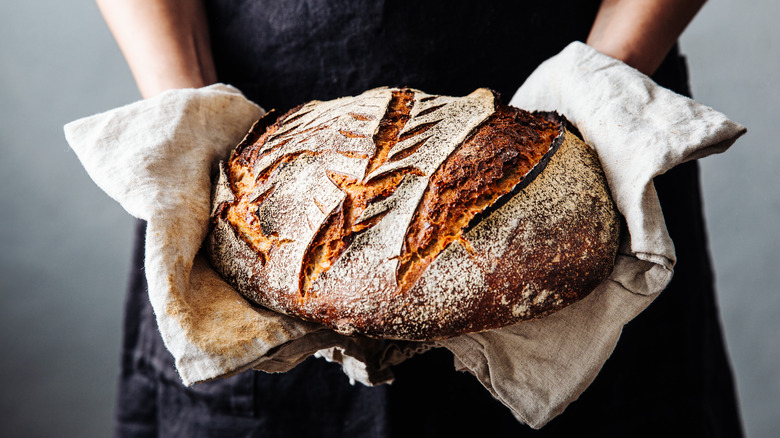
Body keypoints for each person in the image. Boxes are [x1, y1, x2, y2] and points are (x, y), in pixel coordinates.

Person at [96, 1, 744, 436]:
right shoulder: (239, 180)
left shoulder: (589, 121)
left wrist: (607, 78)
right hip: (260, 160)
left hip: (589, 120)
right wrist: (194, 113)